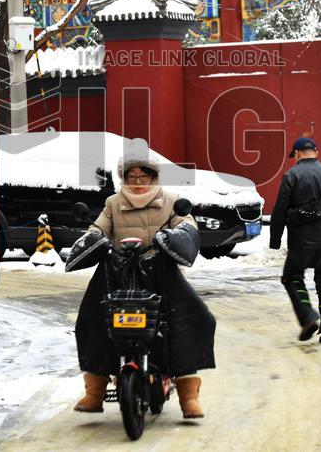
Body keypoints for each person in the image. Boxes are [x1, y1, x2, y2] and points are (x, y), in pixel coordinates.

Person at [66, 139, 216, 419]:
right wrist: (94, 239)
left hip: (161, 274)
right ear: (123, 178)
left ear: (154, 177)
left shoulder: (171, 202)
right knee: (91, 319)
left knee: (191, 320)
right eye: (131, 177)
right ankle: (94, 391)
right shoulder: (113, 203)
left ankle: (188, 396)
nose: (137, 182)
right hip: (118, 273)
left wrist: (176, 236)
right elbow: (98, 228)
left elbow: (187, 224)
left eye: (143, 176)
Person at [270, 136, 321, 344]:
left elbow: (280, 210)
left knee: (292, 277)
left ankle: (307, 315)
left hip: (300, 242)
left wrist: (275, 239)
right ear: (317, 152)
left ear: (296, 154)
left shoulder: (291, 176)